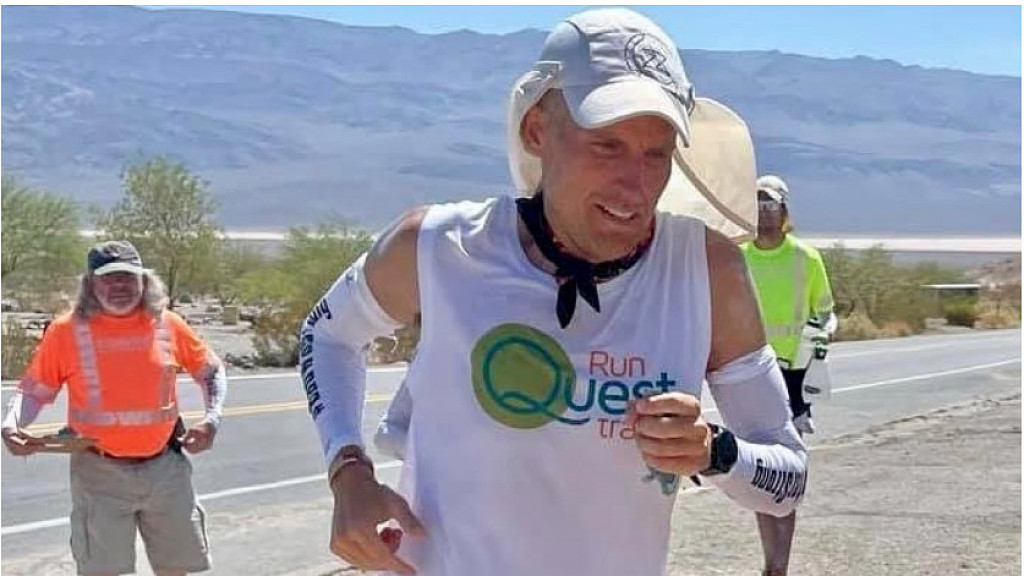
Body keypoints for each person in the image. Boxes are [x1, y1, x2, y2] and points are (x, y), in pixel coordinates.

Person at [301, 9, 807, 576]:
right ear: (536, 130)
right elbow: (327, 335)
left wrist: (715, 451)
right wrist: (348, 471)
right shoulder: (437, 247)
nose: (635, 186)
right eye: (606, 145)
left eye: (657, 153)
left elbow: (787, 480)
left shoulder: (706, 271)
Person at [1, 240, 228, 576]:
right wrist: (11, 424)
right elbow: (35, 391)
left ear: (144, 281)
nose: (119, 285)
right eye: (108, 277)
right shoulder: (65, 331)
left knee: (176, 568)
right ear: (91, 284)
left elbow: (211, 371)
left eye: (127, 276)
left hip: (165, 467)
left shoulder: (168, 324)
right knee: (102, 570)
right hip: (98, 472)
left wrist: (212, 418)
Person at [741, 174, 838, 576]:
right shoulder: (736, 256)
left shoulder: (806, 259)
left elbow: (826, 313)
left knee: (788, 467)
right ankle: (773, 563)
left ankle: (778, 564)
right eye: (758, 203)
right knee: (761, 470)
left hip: (794, 376)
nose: (764, 211)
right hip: (749, 373)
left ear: (784, 209)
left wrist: (822, 335)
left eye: (771, 203)